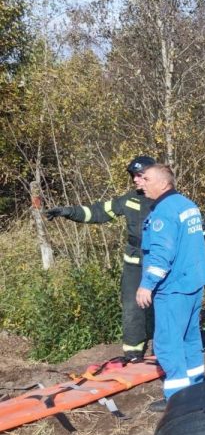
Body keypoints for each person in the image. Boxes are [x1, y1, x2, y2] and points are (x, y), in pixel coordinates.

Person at [45, 155, 156, 361]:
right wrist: (69, 212)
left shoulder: (167, 200)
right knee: (132, 307)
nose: (135, 180)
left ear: (153, 174)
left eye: (140, 176)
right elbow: (98, 212)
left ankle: (163, 351)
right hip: (135, 263)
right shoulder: (129, 200)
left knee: (164, 306)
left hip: (161, 263)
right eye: (134, 176)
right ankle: (133, 354)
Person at [136, 164, 205, 412]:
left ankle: (178, 400)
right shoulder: (187, 205)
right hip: (193, 283)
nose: (141, 182)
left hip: (173, 288)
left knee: (168, 343)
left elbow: (161, 254)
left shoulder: (163, 212)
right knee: (190, 338)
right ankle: (196, 390)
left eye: (146, 179)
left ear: (163, 183)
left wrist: (146, 286)